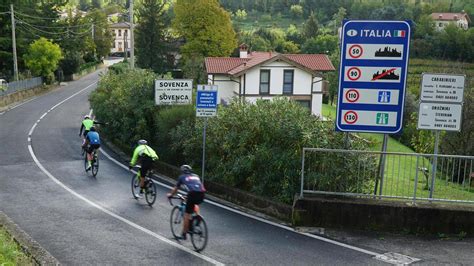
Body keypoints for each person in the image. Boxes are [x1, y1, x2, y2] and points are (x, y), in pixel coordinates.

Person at [167, 165, 206, 240]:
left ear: (182, 171)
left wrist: (170, 195)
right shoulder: (196, 176)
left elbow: (176, 188)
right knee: (194, 203)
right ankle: (198, 216)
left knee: (186, 214)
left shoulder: (182, 177)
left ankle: (184, 234)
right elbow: (196, 186)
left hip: (192, 194)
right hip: (202, 194)